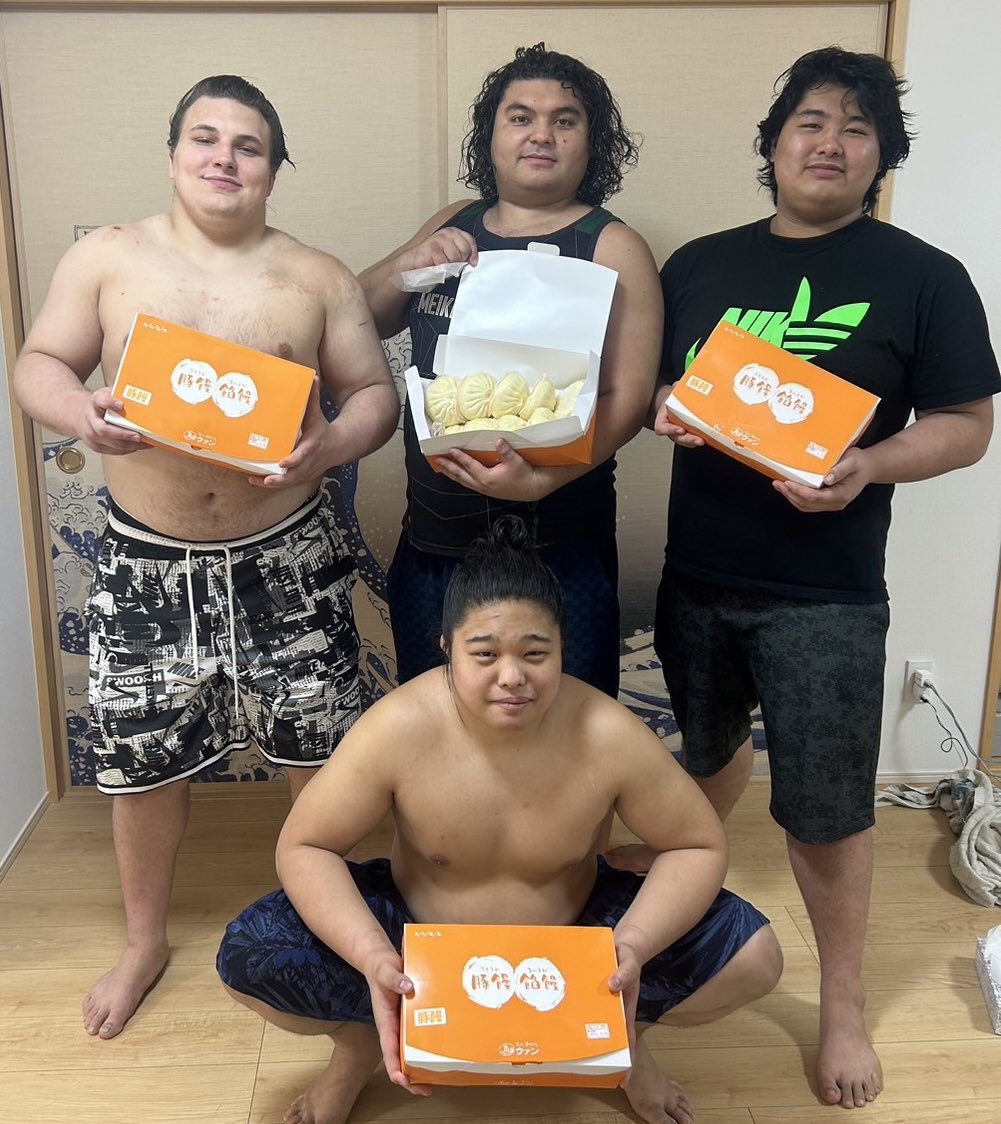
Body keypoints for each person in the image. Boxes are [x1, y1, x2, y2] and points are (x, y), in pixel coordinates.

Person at [610, 47, 1001, 1110]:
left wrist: (868, 463)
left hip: (826, 593)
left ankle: (840, 1004)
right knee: (702, 753)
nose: (828, 143)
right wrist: (662, 406)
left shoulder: (923, 275)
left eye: (854, 128)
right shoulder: (698, 265)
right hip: (697, 573)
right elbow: (653, 387)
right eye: (809, 122)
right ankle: (678, 888)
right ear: (774, 142)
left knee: (824, 810)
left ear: (880, 155)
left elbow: (967, 424)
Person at [12, 75, 400, 1041]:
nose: (224, 157)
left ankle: (333, 929)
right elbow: (37, 364)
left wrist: (329, 445)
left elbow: (374, 397)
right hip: (146, 563)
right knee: (142, 768)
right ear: (174, 153)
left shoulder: (316, 276)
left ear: (274, 168)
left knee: (322, 755)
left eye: (248, 144)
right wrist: (79, 411)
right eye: (205, 138)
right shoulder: (108, 258)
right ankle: (143, 941)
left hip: (286, 557)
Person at [216, 515, 782, 1124]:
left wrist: (632, 948)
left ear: (562, 647)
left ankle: (624, 1038)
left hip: (573, 944)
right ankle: (359, 1045)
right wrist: (372, 957)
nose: (512, 677)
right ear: (446, 648)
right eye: (484, 654)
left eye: (535, 653)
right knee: (249, 953)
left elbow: (697, 845)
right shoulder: (399, 727)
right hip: (417, 945)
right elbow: (306, 846)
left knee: (756, 957)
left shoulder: (607, 734)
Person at [359, 43, 663, 698]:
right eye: (520, 117)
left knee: (566, 728)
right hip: (434, 539)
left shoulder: (613, 246)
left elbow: (629, 395)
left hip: (558, 548)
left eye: (564, 120)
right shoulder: (453, 222)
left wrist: (542, 480)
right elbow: (363, 317)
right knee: (432, 722)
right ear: (490, 136)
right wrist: (408, 263)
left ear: (592, 142)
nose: (541, 135)